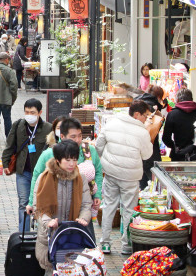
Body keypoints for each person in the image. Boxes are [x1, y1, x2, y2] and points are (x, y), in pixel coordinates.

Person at [29, 140, 92, 276]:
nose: (72, 164)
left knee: (73, 275)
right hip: (51, 235)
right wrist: (49, 222)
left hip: (73, 235)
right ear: (57, 160)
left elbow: (86, 204)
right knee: (51, 274)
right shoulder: (44, 177)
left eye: (74, 159)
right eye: (67, 160)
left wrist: (83, 218)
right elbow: (38, 207)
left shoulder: (80, 178)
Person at [95, 101, 153, 254]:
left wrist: (104, 160)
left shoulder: (112, 122)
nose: (146, 119)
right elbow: (147, 155)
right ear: (136, 114)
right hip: (130, 176)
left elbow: (99, 144)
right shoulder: (142, 132)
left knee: (109, 206)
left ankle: (105, 243)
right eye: (145, 116)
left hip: (111, 173)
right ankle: (126, 245)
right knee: (128, 210)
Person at [29, 118, 103, 224]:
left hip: (81, 206)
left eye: (80, 135)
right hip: (54, 214)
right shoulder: (49, 153)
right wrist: (31, 202)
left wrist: (97, 194)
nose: (77, 140)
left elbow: (98, 172)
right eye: (73, 136)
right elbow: (37, 178)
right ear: (62, 136)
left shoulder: (88, 150)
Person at [2, 98, 51, 231]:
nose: (29, 115)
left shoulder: (48, 128)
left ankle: (41, 231)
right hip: (23, 172)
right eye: (27, 112)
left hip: (41, 174)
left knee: (40, 203)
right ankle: (24, 234)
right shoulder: (18, 126)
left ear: (40, 112)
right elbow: (10, 145)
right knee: (23, 203)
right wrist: (5, 163)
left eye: (32, 112)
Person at [137, 84, 166, 189]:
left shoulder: (139, 105)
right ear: (158, 97)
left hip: (137, 151)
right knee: (155, 184)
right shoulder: (153, 109)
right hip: (150, 151)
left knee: (142, 183)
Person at [162, 88, 196, 161]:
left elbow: (166, 138)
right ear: (192, 99)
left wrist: (174, 147)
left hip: (178, 155)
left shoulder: (172, 114)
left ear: (177, 100)